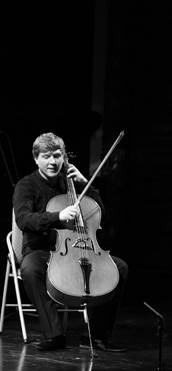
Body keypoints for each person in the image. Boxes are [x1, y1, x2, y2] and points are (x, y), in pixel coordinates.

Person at [13, 132, 128, 352]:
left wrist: (88, 186)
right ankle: (55, 334)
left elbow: (98, 214)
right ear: (36, 158)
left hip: (78, 247)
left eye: (57, 156)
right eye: (46, 156)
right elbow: (23, 219)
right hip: (42, 248)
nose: (53, 162)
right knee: (29, 270)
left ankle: (95, 336)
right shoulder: (26, 185)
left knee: (120, 268)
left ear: (64, 158)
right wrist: (58, 216)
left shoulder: (71, 183)